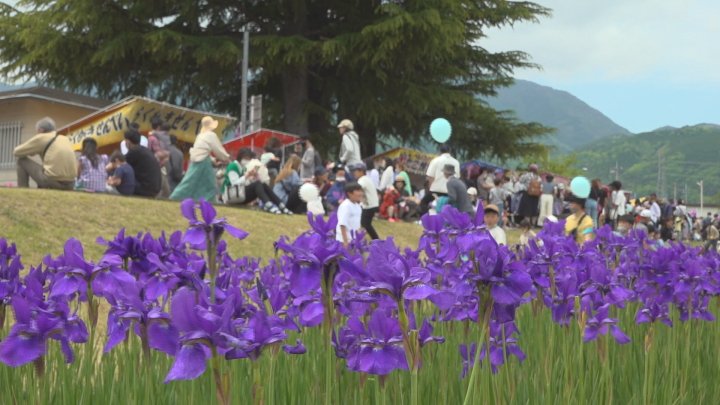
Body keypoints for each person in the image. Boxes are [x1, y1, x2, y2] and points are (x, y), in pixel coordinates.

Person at [170, 116, 229, 202]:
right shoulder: (211, 135)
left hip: (198, 160)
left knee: (191, 181)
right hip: (203, 162)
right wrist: (226, 157)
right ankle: (175, 198)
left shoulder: (200, 135)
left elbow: (202, 150)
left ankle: (207, 201)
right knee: (206, 184)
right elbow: (218, 149)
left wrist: (213, 160)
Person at [221, 148, 291, 214]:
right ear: (240, 157)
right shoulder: (233, 166)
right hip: (231, 195)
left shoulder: (243, 168)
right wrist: (246, 176)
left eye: (249, 159)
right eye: (246, 158)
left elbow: (245, 183)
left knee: (262, 184)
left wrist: (253, 177)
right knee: (257, 184)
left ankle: (280, 204)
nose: (247, 161)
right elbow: (234, 183)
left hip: (239, 194)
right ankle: (268, 204)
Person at [14, 117, 76, 190]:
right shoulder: (64, 138)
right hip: (70, 184)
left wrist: (30, 151)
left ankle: (22, 190)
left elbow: (16, 152)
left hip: (52, 182)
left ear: (40, 130)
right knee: (46, 169)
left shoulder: (42, 138)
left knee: (21, 161)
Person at [421, 144, 460, 214]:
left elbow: (430, 178)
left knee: (423, 203)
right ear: (450, 151)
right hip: (450, 193)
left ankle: (426, 220)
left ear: (440, 151)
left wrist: (429, 190)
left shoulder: (435, 161)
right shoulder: (456, 163)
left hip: (436, 191)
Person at [123, 128, 162, 197]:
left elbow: (119, 164)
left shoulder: (134, 151)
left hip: (145, 189)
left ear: (128, 141)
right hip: (155, 189)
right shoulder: (145, 150)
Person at [351, 163, 380, 240]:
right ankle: (373, 239)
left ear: (361, 171)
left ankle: (376, 239)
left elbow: (357, 188)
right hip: (371, 204)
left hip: (369, 205)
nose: (354, 173)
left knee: (365, 223)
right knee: (365, 223)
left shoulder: (363, 179)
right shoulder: (366, 179)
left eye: (356, 171)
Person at [148, 120, 172, 197]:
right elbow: (158, 153)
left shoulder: (152, 137)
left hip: (158, 165)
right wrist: (166, 154)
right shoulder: (155, 137)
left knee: (164, 189)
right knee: (164, 189)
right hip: (158, 165)